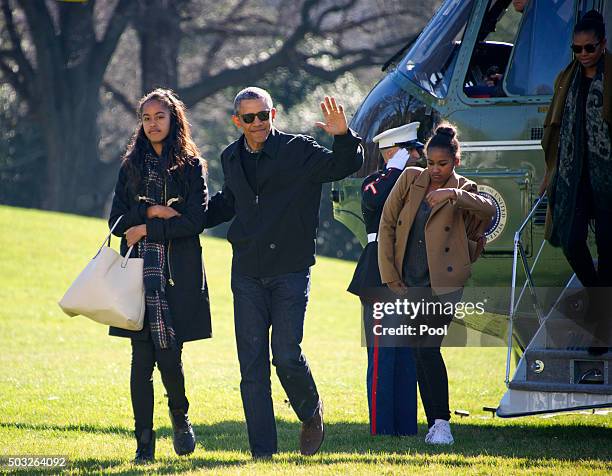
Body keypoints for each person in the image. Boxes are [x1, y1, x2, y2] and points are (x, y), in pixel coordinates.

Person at [205, 87, 363, 458]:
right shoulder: (230, 157)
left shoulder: (299, 150)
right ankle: (262, 454)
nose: (258, 123)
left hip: (291, 270)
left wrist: (343, 136)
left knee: (286, 355)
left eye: (264, 115)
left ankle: (310, 412)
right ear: (237, 122)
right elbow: (229, 202)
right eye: (249, 118)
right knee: (252, 365)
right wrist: (185, 219)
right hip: (246, 272)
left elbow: (343, 166)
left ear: (273, 115)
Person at [108, 89, 211, 463]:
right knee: (140, 363)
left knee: (170, 359)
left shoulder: (191, 166)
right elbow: (117, 222)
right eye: (147, 118)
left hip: (176, 278)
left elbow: (196, 222)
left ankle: (180, 416)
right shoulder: (130, 166)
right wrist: (152, 213)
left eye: (160, 117)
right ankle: (144, 445)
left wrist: (148, 227)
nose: (153, 124)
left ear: (173, 120)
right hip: (137, 278)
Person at [378, 124, 495, 445]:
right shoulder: (409, 179)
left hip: (443, 286)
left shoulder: (465, 188)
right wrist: (390, 275)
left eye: (442, 164)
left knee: (427, 349)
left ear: (456, 161)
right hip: (407, 282)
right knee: (419, 353)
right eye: (430, 163)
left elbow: (490, 210)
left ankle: (442, 423)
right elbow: (388, 223)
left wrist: (454, 194)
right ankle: (435, 424)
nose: (435, 170)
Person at [540, 11, 612, 352]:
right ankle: (602, 304)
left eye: (589, 47)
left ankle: (602, 327)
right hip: (573, 175)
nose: (583, 54)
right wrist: (550, 173)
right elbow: (555, 131)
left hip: (608, 177)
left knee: (610, 251)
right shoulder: (566, 79)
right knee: (568, 239)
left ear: (603, 44)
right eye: (577, 49)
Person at [347, 122, 423, 436]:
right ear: (393, 153)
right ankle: (381, 427)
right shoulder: (376, 183)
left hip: (411, 272)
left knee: (407, 353)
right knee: (383, 353)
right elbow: (375, 202)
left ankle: (406, 427)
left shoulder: (420, 182)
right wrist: (395, 170)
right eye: (411, 151)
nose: (419, 156)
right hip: (379, 271)